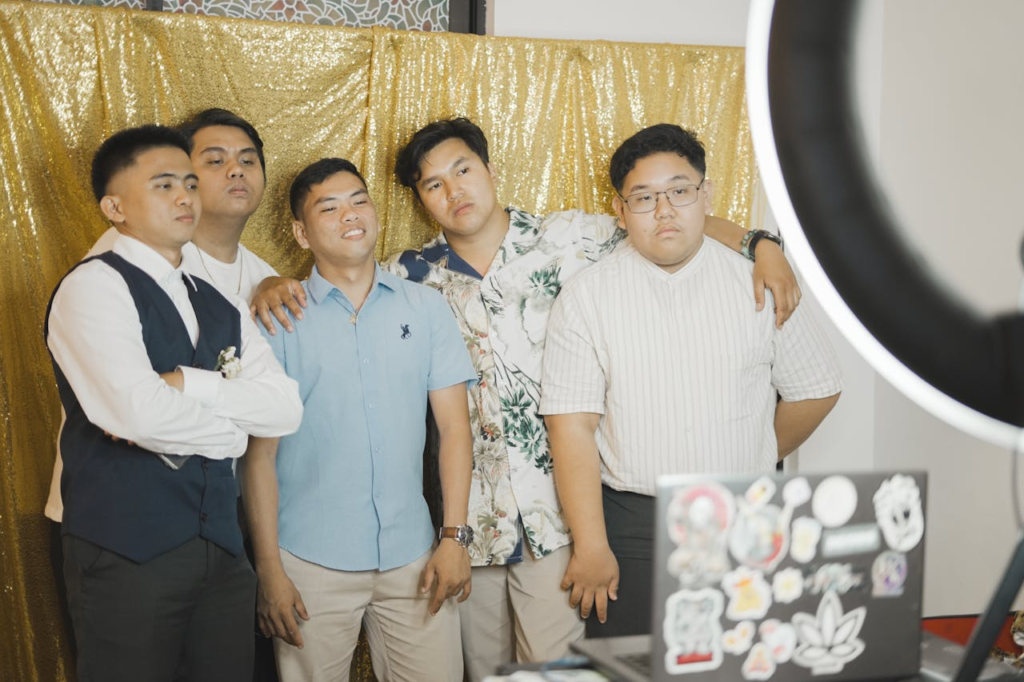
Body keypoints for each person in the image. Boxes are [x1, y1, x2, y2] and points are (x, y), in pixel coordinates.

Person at [250, 117, 802, 680]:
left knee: (558, 672)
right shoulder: (410, 278)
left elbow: (676, 220)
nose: (454, 190)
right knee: (484, 673)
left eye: (463, 170)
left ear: (489, 170)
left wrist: (763, 245)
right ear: (420, 199)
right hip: (469, 528)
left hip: (560, 518)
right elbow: (338, 278)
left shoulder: (573, 239)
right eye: (434, 183)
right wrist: (271, 284)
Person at [540, 123, 843, 639]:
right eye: (644, 197)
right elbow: (572, 426)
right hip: (633, 524)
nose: (664, 211)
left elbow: (817, 389)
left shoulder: (761, 282)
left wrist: (754, 448)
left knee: (742, 663)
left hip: (744, 517)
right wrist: (591, 545)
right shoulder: (586, 296)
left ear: (706, 196)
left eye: (680, 191)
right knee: (634, 668)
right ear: (620, 209)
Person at [44, 124, 303, 682]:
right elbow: (137, 413)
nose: (185, 195)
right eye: (163, 185)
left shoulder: (219, 302)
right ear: (114, 206)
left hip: (222, 553)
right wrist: (235, 433)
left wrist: (191, 383)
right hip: (125, 550)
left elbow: (285, 409)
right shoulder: (94, 286)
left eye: (189, 182)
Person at [241, 158, 475, 682]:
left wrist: (455, 537)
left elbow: (455, 431)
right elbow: (259, 456)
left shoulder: (427, 308)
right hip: (308, 558)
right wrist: (271, 570)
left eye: (359, 200)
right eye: (329, 207)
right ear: (301, 233)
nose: (350, 215)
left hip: (415, 555)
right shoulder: (277, 320)